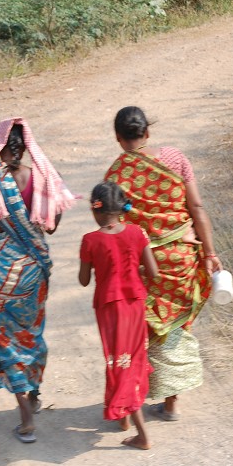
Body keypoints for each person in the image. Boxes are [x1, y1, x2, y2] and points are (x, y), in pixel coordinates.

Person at [104, 106, 222, 420]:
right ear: (147, 132)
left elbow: (115, 226)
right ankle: (171, 403)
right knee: (175, 325)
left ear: (118, 137)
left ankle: (131, 400)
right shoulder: (175, 158)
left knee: (141, 329)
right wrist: (210, 253)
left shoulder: (116, 175)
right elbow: (197, 207)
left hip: (143, 264)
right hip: (181, 258)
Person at [0, 117, 76, 443]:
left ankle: (26, 417)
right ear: (26, 146)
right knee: (31, 335)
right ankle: (34, 393)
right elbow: (52, 226)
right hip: (33, 271)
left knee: (5, 340)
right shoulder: (42, 177)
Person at [79, 181, 158, 450]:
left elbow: (83, 280)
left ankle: (142, 434)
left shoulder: (90, 240)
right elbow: (154, 272)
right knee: (132, 359)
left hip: (110, 309)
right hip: (135, 306)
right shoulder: (137, 232)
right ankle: (122, 416)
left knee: (118, 362)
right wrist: (134, 271)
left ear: (95, 209)